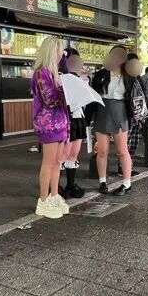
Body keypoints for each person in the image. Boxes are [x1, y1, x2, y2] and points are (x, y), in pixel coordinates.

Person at [30, 37, 70, 218]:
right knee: (49, 163)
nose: (61, 55)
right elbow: (50, 100)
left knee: (57, 162)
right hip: (49, 124)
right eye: (59, 51)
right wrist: (66, 90)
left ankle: (54, 195)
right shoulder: (42, 73)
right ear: (51, 51)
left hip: (60, 122)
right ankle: (43, 200)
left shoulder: (54, 73)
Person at [91, 45, 136, 195]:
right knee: (102, 151)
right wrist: (89, 117)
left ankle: (127, 184)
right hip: (102, 111)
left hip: (121, 112)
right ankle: (102, 181)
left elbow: (140, 94)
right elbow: (93, 95)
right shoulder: (101, 74)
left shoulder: (130, 75)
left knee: (122, 151)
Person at [62, 53, 87, 198]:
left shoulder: (81, 80)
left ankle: (70, 185)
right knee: (62, 155)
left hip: (78, 118)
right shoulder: (62, 79)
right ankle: (56, 188)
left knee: (73, 154)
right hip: (66, 119)